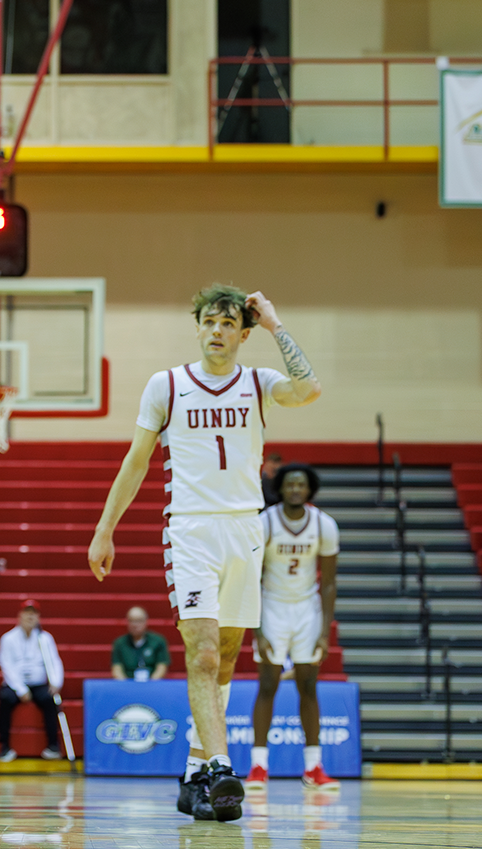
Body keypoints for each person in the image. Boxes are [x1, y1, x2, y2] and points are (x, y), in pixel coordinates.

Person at [87, 284, 322, 824]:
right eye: (208, 321)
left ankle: (194, 773)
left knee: (227, 660)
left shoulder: (259, 384)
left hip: (246, 531)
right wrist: (106, 530)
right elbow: (136, 463)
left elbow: (309, 389)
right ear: (198, 327)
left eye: (227, 323)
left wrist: (275, 323)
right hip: (190, 530)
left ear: (242, 333)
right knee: (204, 654)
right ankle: (220, 765)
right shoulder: (166, 385)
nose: (216, 331)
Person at [247, 464, 340, 793]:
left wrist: (325, 631)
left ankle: (313, 767)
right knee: (268, 684)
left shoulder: (324, 524)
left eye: (301, 484)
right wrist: (256, 629)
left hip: (307, 610)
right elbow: (251, 579)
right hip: (271, 606)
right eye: (289, 484)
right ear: (280, 489)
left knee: (308, 686)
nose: (295, 489)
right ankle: (258, 766)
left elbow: (328, 583)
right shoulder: (265, 521)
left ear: (310, 488)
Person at [0, 601, 63, 762]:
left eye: (34, 613)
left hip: (38, 683)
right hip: (15, 684)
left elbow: (54, 661)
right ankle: (4, 747)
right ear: (19, 616)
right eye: (27, 612)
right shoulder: (8, 638)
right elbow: (6, 665)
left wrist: (56, 682)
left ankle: (53, 745)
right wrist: (20, 689)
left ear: (38, 617)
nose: (30, 616)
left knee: (49, 699)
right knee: (5, 699)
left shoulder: (45, 638)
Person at [110, 607, 171, 682]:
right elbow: (117, 668)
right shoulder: (120, 643)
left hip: (151, 683)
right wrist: (126, 686)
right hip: (128, 684)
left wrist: (151, 685)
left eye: (139, 621)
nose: (135, 625)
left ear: (146, 621)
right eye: (132, 621)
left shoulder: (158, 641)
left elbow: (162, 667)